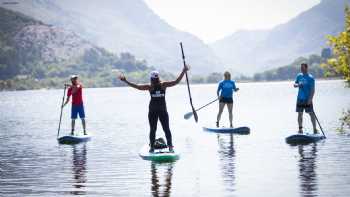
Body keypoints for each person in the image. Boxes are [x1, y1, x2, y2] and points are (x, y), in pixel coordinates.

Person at [118, 66, 189, 153]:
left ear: (153, 78)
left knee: (162, 129)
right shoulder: (153, 86)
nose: (154, 80)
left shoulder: (161, 85)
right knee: (156, 129)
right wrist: (183, 71)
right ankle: (156, 147)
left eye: (154, 79)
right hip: (155, 112)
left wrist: (183, 71)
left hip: (158, 111)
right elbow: (137, 86)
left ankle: (168, 147)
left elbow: (176, 82)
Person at [294, 63, 317, 134]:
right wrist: (298, 85)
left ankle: (315, 129)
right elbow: (295, 84)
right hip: (300, 99)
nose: (302, 69)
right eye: (301, 68)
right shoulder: (299, 76)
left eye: (303, 68)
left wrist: (310, 99)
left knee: (311, 114)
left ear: (307, 68)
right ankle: (300, 129)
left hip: (307, 99)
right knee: (300, 114)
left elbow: (313, 90)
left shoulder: (311, 78)